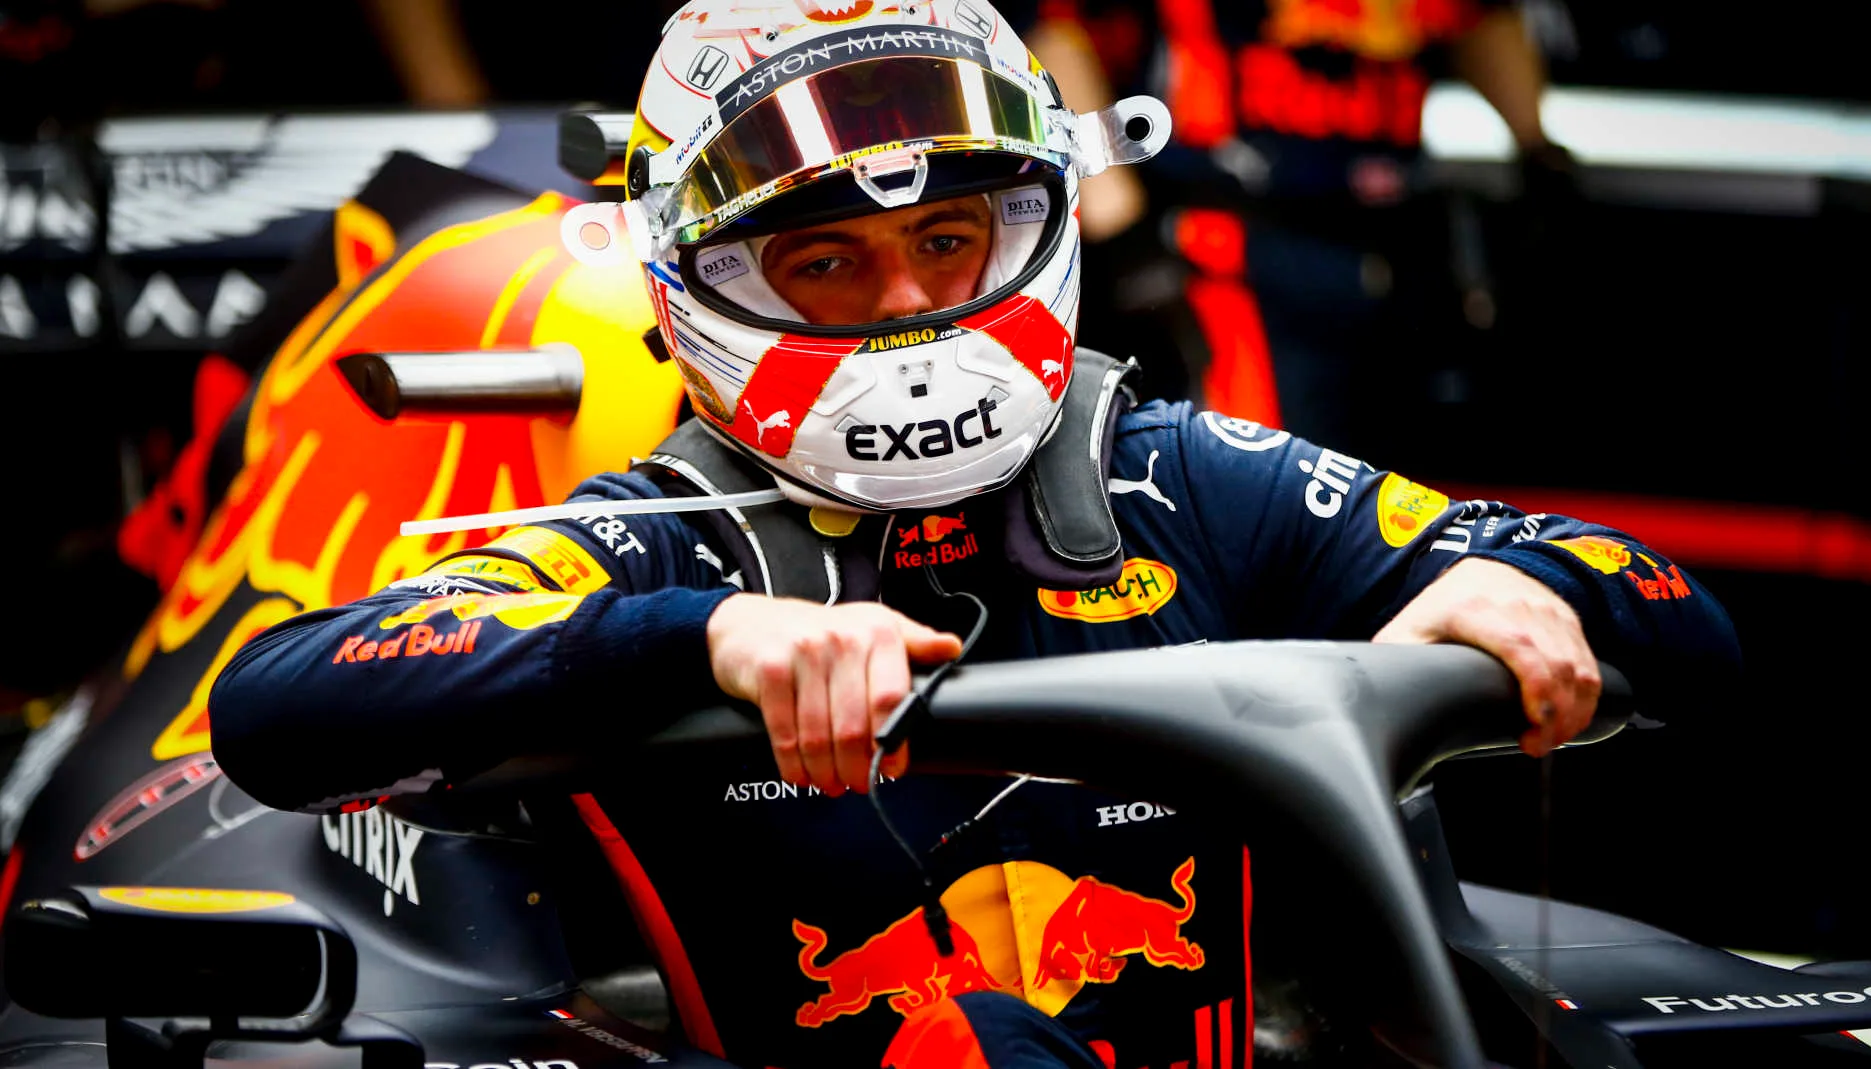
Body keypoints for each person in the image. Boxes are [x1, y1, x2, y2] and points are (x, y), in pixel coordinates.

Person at [207, 3, 1740, 1068]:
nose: (907, 306)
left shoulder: (1176, 475)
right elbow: (280, 702)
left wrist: (1518, 583)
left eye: (949, 240)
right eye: (827, 262)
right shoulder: (658, 544)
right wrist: (706, 644)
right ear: (694, 290)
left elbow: (1669, 606)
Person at [1005, 0, 1573, 450]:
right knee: (1254, 480)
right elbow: (1054, 28)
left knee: (1384, 505)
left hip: (1391, 245)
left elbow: (1478, 16)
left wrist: (1537, 151)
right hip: (1228, 249)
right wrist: (1113, 215)